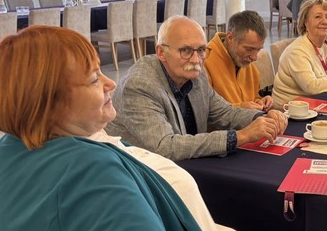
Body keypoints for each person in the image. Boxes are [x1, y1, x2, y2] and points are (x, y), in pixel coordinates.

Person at [0, 25, 327, 231]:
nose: (110, 84)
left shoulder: (6, 152)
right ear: (49, 101)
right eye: (93, 79)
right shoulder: (89, 171)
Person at [106, 16, 288, 161]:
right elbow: (165, 146)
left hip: (186, 165)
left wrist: (262, 118)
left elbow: (225, 113)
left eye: (201, 50)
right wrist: (241, 136)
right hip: (141, 174)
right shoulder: (140, 85)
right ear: (161, 52)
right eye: (185, 50)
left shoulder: (196, 74)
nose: (195, 60)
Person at [204, 10, 273, 111]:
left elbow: (253, 98)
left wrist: (260, 102)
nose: (254, 58)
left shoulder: (247, 65)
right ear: (230, 38)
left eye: (258, 49)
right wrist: (240, 108)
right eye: (249, 49)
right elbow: (203, 112)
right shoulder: (204, 61)